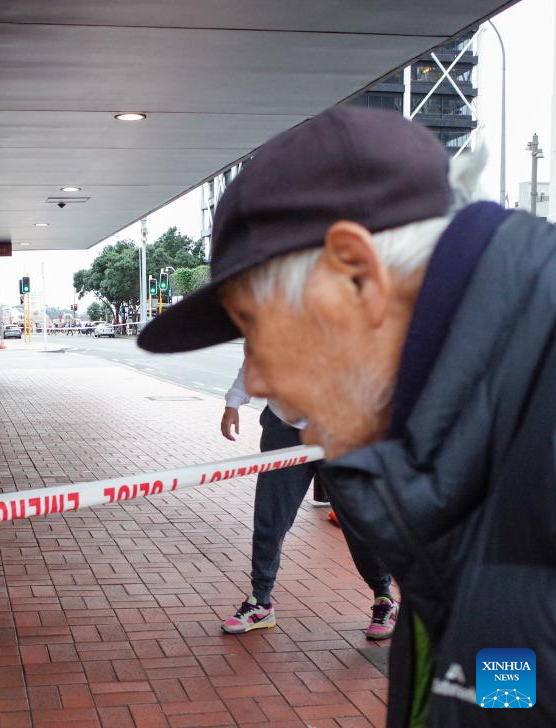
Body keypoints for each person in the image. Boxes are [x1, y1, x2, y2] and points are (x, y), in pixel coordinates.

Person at [139, 106, 555, 727]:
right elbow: (506, 687)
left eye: (259, 327)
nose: (258, 380)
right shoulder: (457, 454)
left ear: (357, 273)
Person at [219, 363, 396, 639]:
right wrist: (234, 402)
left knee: (359, 521)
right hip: (284, 427)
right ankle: (260, 601)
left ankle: (383, 598)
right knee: (270, 518)